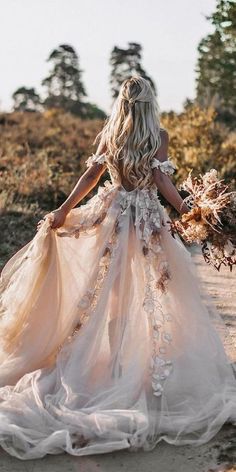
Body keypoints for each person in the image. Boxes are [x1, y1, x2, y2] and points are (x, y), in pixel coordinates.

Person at [0, 76, 235, 460]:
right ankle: (127, 368)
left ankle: (117, 367)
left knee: (109, 294)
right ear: (149, 103)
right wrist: (188, 210)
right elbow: (161, 180)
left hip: (113, 216)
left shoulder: (112, 133)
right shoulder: (158, 134)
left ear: (122, 103)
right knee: (152, 292)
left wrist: (64, 209)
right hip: (145, 221)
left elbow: (91, 177)